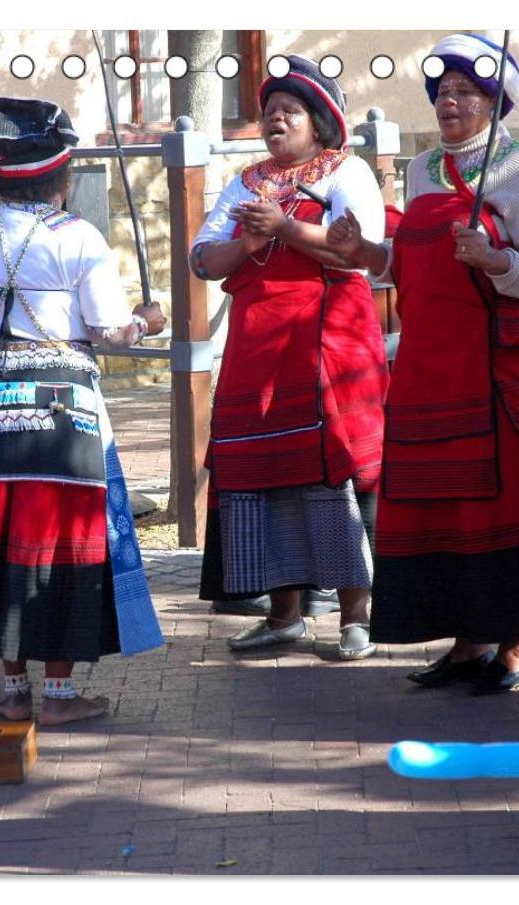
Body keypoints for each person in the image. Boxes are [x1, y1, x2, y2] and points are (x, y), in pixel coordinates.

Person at [0, 97, 166, 725]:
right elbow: (107, 330)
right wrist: (145, 322)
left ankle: (13, 691)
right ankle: (60, 697)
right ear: (63, 177)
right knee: (51, 542)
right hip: (58, 410)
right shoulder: (78, 237)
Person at [328, 33, 519, 693]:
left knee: (504, 505)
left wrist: (497, 261)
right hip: (433, 372)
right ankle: (468, 640)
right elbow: (407, 264)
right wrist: (363, 254)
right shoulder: (421, 168)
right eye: (444, 92)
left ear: (496, 101)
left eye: (467, 91)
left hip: (496, 373)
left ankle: (518, 643)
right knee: (447, 508)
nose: (451, 101)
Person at [190, 54, 389, 660]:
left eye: (289, 112)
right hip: (257, 348)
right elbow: (202, 257)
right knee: (262, 472)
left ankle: (355, 616)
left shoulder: (345, 172)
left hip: (327, 343)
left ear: (318, 124)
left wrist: (284, 229)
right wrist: (247, 241)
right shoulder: (245, 181)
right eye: (270, 113)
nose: (276, 121)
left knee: (331, 474)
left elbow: (361, 250)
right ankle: (283, 614)